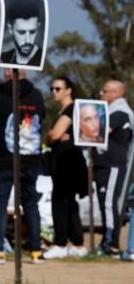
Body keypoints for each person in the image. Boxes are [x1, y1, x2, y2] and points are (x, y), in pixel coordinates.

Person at [0, 69, 45, 263]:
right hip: (29, 159)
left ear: (7, 72)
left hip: (3, 160)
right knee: (30, 204)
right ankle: (37, 251)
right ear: (26, 72)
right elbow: (42, 118)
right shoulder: (36, 95)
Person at [43, 76, 88, 259]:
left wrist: (52, 136)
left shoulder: (71, 109)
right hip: (63, 160)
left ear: (69, 90)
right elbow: (52, 137)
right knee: (68, 201)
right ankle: (76, 243)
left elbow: (54, 135)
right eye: (52, 89)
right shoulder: (65, 111)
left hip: (67, 161)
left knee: (61, 201)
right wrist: (51, 136)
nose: (54, 92)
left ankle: (61, 243)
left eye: (58, 88)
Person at [93, 79, 133, 255]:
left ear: (116, 93)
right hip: (104, 164)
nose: (101, 93)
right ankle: (107, 241)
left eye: (105, 91)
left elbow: (98, 130)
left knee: (109, 204)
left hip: (113, 166)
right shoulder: (111, 111)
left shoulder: (120, 113)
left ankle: (111, 243)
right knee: (105, 203)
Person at [0, 0, 43, 67]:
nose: (28, 40)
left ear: (38, 27)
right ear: (10, 29)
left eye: (32, 32)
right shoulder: (3, 59)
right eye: (21, 32)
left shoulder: (44, 59)